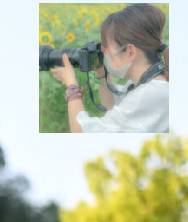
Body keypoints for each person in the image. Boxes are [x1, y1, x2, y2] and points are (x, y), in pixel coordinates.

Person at [50, 3, 169, 133]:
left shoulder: (149, 94)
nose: (103, 52)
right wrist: (101, 72)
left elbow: (83, 134)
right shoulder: (153, 81)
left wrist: (71, 87)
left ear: (130, 52)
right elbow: (113, 106)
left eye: (107, 46)